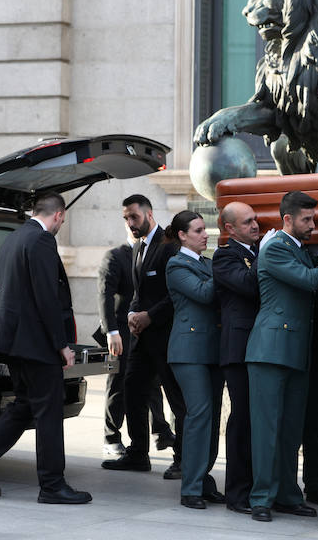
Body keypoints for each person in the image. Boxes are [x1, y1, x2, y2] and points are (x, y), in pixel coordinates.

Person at [0, 192, 91, 504]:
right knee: (49, 410)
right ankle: (52, 485)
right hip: (36, 344)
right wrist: (62, 345)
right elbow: (46, 297)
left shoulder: (14, 239)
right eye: (62, 220)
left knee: (24, 405)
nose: (60, 225)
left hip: (13, 342)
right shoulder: (42, 241)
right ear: (58, 215)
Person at [245, 191, 318, 523]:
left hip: (295, 351)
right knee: (267, 430)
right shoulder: (277, 247)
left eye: (313, 219)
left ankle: (287, 495)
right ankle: (261, 498)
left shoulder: (300, 250)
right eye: (307, 219)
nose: (312, 225)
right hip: (270, 350)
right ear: (288, 219)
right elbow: (310, 281)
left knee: (291, 430)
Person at [102, 194, 186, 480]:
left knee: (176, 399)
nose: (130, 222)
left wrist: (149, 315)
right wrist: (131, 314)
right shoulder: (138, 247)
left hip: (166, 337)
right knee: (133, 389)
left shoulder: (169, 246)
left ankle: (182, 459)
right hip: (142, 339)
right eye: (126, 218)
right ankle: (138, 454)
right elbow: (138, 293)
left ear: (149, 215)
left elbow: (176, 293)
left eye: (134, 217)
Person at [95, 227, 175, 457]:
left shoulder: (156, 252)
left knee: (151, 383)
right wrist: (111, 331)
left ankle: (160, 430)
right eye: (129, 218)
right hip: (121, 332)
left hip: (146, 331)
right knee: (118, 384)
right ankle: (111, 436)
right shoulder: (116, 256)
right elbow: (105, 295)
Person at [164, 210, 224, 509]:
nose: (205, 235)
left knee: (211, 418)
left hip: (212, 349)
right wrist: (224, 267)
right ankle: (190, 488)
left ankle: (203, 479)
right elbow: (203, 293)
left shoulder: (208, 263)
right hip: (188, 352)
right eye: (198, 230)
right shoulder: (176, 264)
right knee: (199, 415)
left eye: (204, 229)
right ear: (182, 235)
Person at [212, 201, 260, 514]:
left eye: (255, 219)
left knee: (257, 419)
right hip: (238, 348)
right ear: (229, 228)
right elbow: (247, 284)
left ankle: (257, 487)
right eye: (247, 222)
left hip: (260, 346)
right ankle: (237, 492)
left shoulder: (254, 252)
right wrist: (267, 253)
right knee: (242, 418)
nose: (255, 225)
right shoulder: (225, 256)